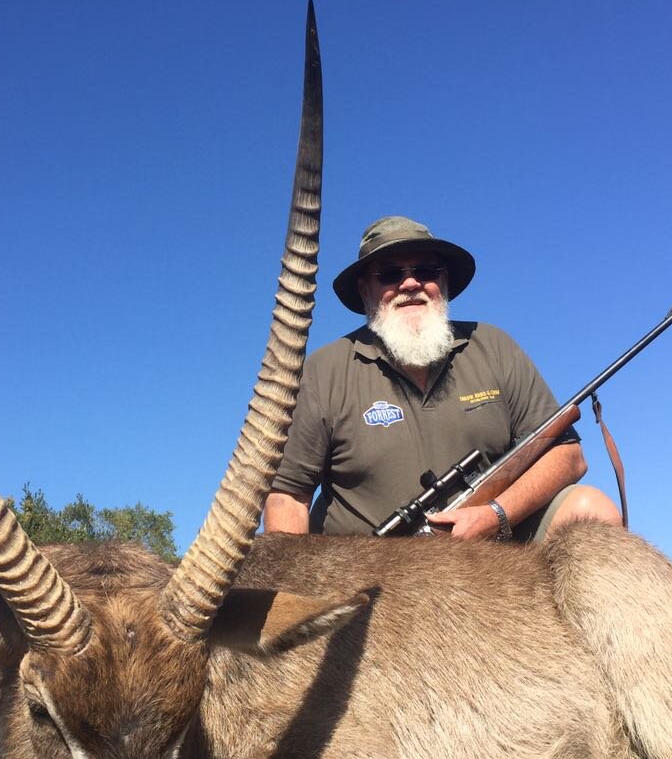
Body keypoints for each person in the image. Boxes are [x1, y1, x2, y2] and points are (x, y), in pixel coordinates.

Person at [264, 216, 622, 542]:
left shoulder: (493, 345)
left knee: (591, 508)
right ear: (364, 291)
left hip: (494, 552)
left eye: (426, 270)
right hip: (369, 575)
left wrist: (496, 514)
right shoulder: (324, 369)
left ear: (443, 281)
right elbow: (288, 496)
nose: (410, 283)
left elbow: (568, 454)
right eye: (389, 274)